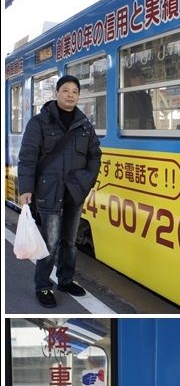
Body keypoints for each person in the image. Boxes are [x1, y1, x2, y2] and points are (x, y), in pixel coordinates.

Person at [18, 75, 102, 308]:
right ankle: (43, 285)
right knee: (51, 242)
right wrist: (26, 188)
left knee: (70, 241)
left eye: (75, 91)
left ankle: (65, 280)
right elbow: (28, 157)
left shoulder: (85, 125)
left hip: (74, 191)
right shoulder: (39, 123)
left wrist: (85, 182)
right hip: (48, 190)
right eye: (65, 90)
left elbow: (95, 156)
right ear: (56, 93)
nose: (70, 95)